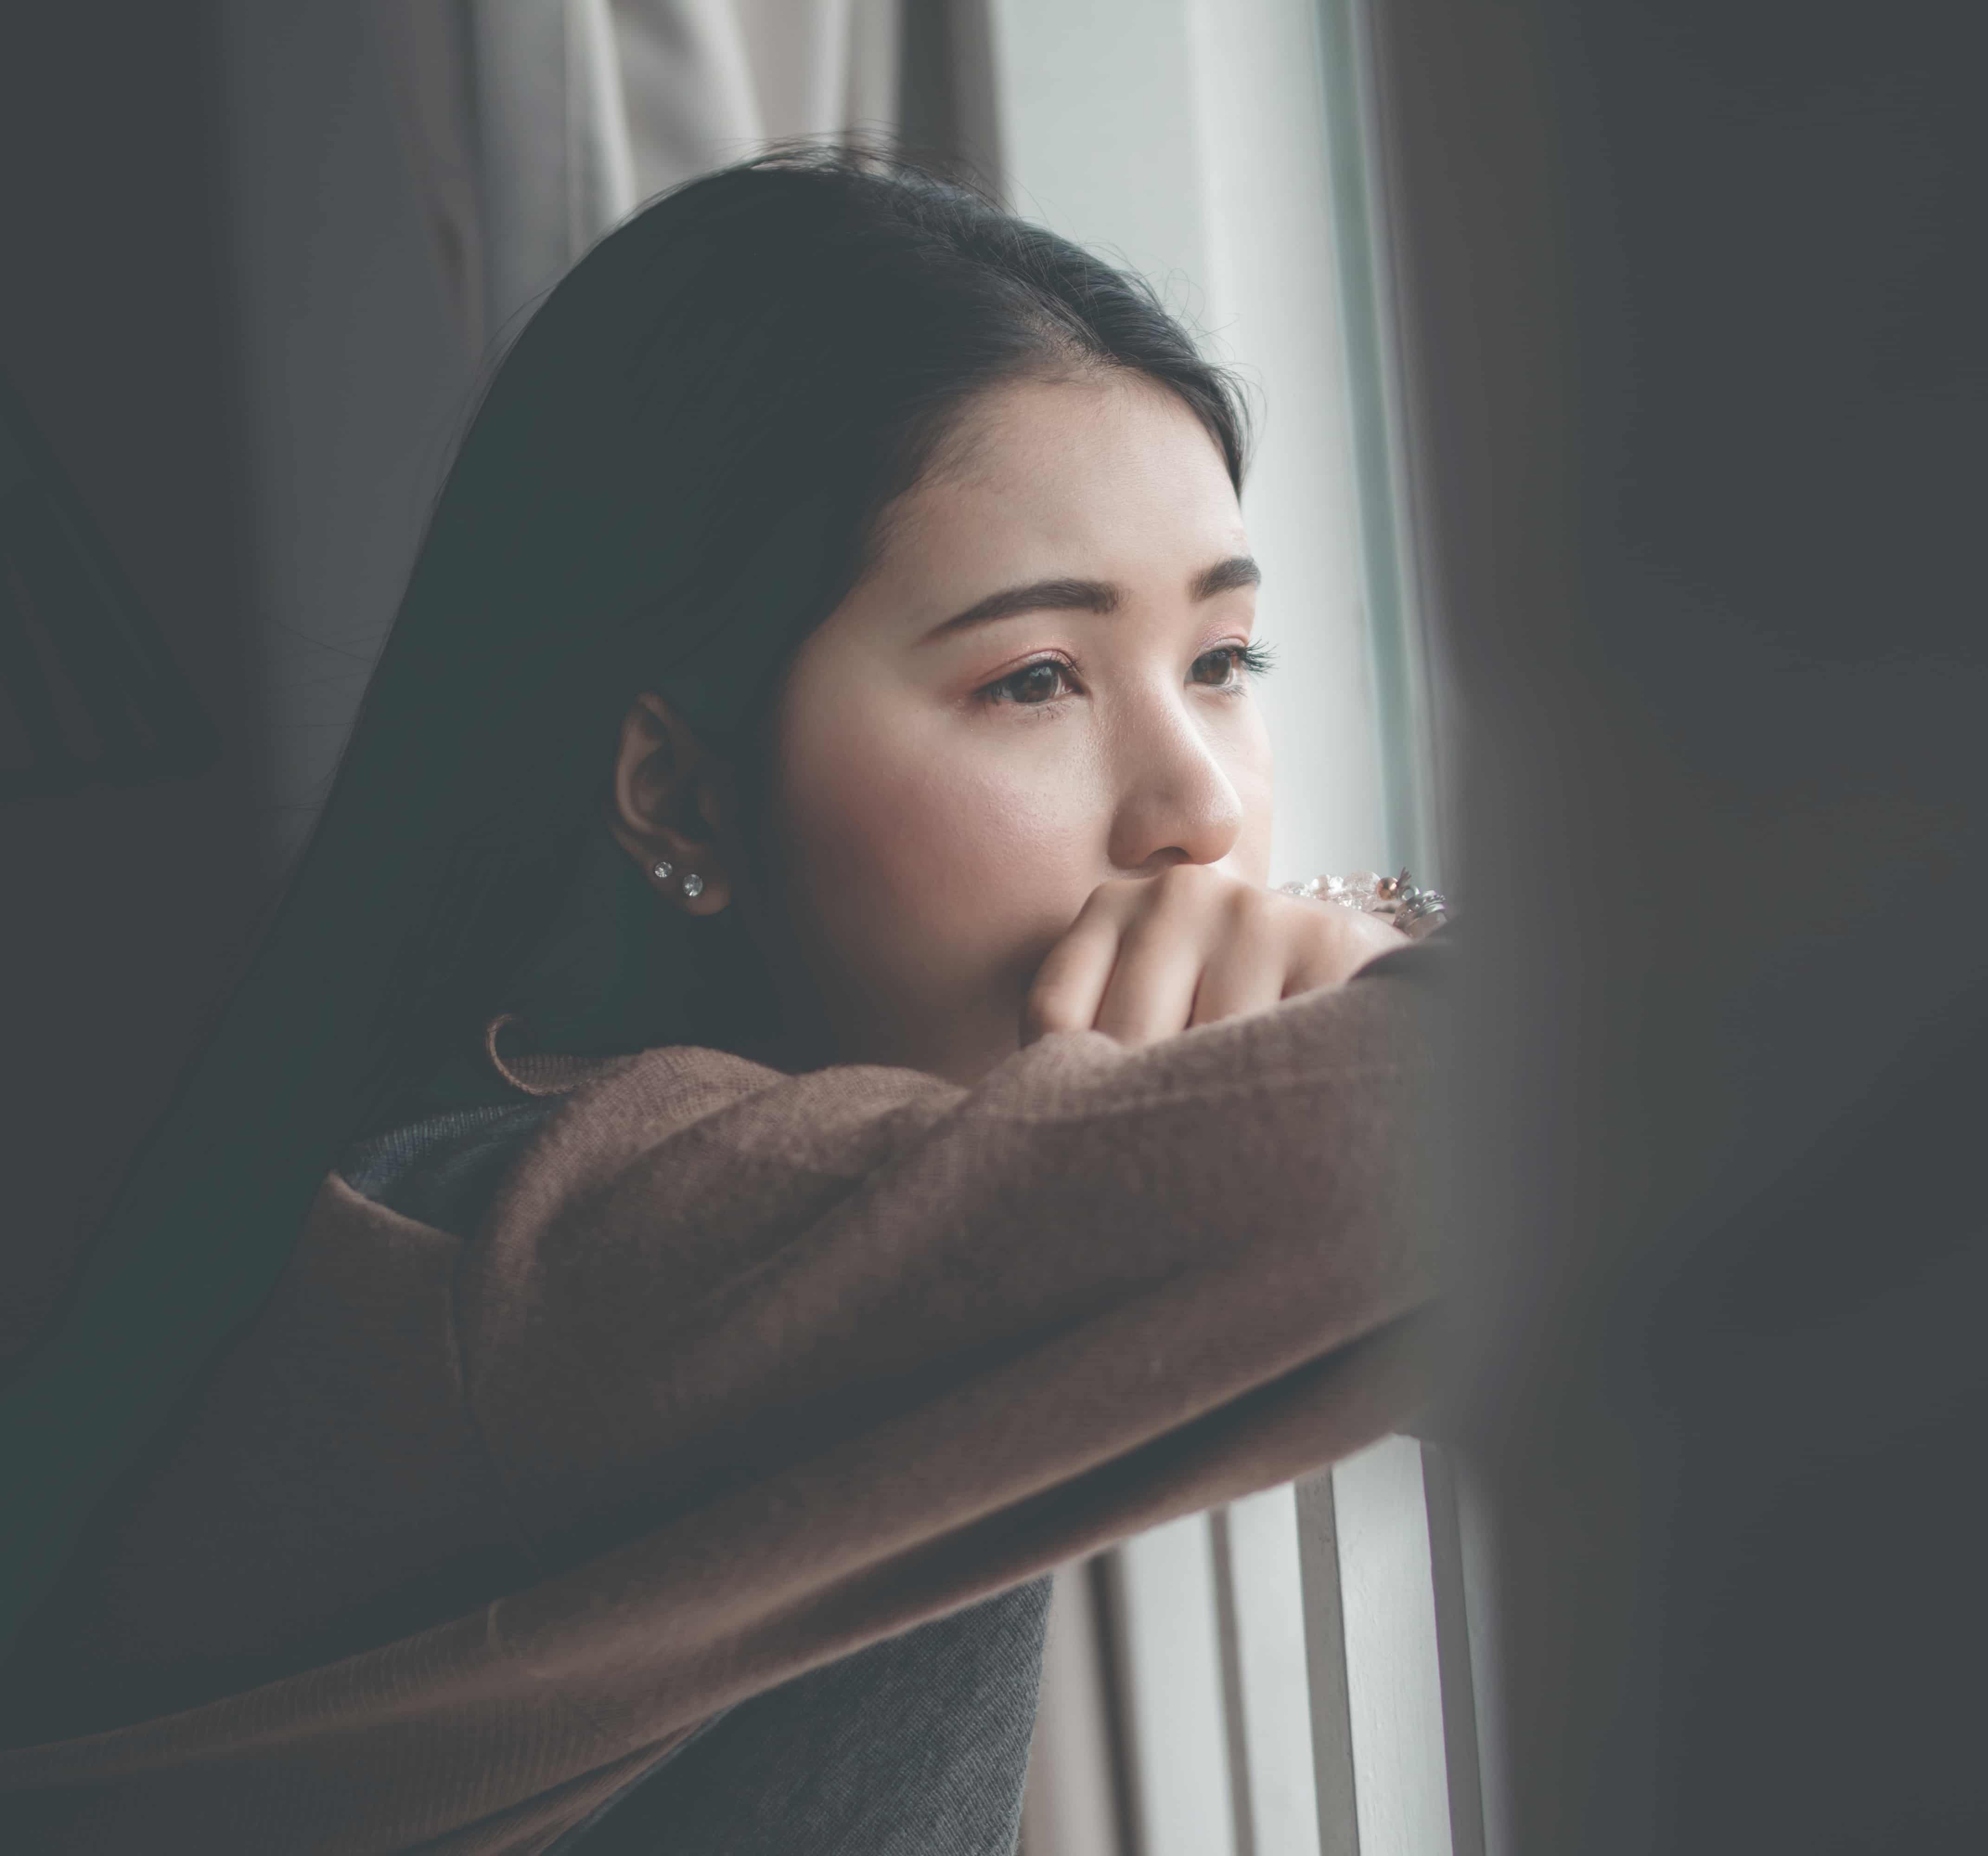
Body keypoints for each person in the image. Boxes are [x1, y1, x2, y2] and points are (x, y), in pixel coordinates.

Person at [0, 150, 1444, 1853]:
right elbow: (1565, 1138)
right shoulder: (570, 1241)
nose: (1201, 809)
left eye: (1223, 662)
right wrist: (1388, 969)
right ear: (683, 798)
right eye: (1034, 678)